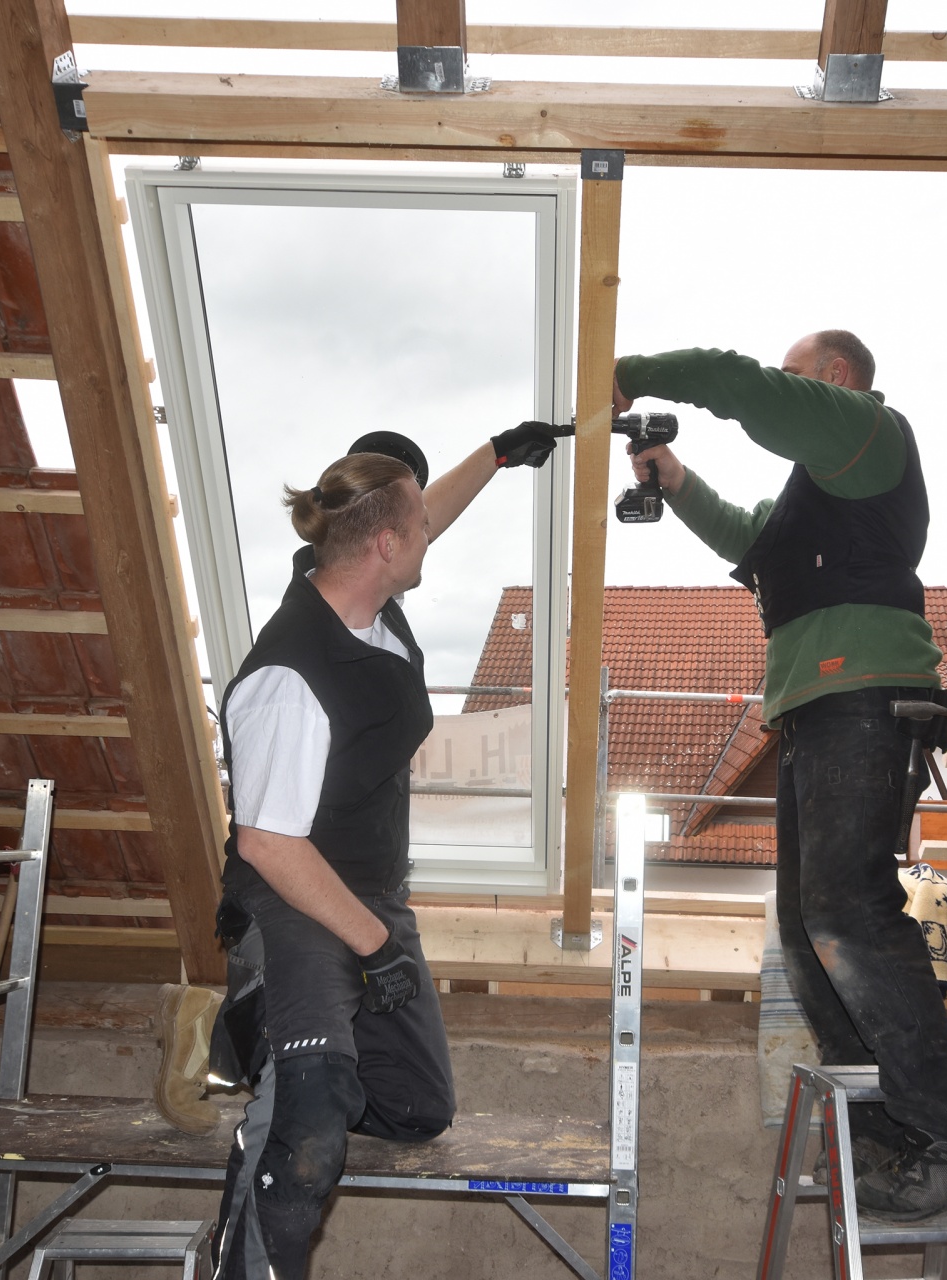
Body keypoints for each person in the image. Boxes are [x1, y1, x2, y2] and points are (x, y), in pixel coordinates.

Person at [612, 333, 947, 1222]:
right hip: (817, 709)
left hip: (865, 696)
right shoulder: (819, 498)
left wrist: (625, 372)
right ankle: (892, 1130)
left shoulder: (871, 435)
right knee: (806, 930)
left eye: (798, 377)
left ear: (835, 379)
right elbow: (746, 534)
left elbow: (740, 385)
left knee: (849, 911)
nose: (786, 391)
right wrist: (671, 478)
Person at [207, 422, 561, 1280]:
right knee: (318, 1107)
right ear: (388, 547)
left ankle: (251, 1044)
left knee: (415, 1109)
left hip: (366, 896)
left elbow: (414, 514)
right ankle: (252, 1234)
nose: (430, 536)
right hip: (291, 903)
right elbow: (268, 841)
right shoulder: (288, 675)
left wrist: (500, 456)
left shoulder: (365, 599)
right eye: (419, 531)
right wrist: (371, 949)